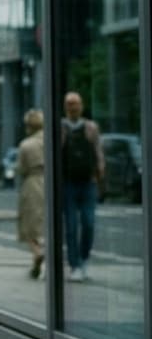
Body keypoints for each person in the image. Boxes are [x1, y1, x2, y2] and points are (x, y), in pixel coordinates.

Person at [60, 90, 104, 282]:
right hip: (67, 183)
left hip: (88, 181)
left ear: (82, 105)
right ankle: (74, 265)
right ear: (64, 107)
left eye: (76, 103)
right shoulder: (60, 127)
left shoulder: (91, 127)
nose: (73, 107)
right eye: (69, 104)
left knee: (88, 223)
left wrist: (101, 175)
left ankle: (84, 259)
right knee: (70, 226)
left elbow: (98, 151)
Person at [16, 109, 45, 279]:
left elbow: (21, 168)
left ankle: (37, 252)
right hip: (51, 181)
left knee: (29, 224)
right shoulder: (51, 139)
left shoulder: (26, 144)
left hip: (33, 182)